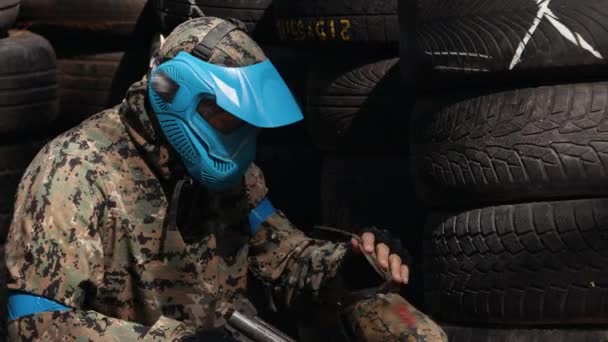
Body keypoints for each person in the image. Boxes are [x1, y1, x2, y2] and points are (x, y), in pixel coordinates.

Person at [5, 17, 447, 341]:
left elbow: (288, 262)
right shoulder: (74, 172)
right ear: (175, 93)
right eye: (227, 119)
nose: (237, 137)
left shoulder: (230, 176)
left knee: (396, 320)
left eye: (244, 123)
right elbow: (33, 322)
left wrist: (349, 267)